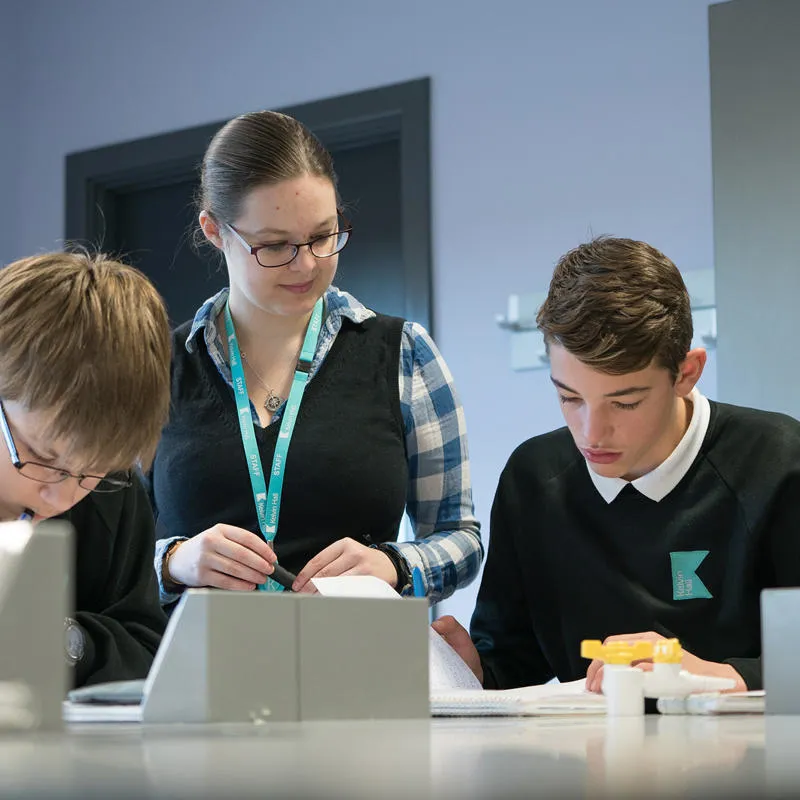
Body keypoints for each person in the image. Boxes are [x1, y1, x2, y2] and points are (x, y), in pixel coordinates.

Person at [434, 236, 800, 693]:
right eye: (569, 398)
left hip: (753, 755)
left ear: (686, 373)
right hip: (591, 755)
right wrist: (472, 672)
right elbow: (513, 658)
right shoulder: (534, 478)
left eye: (625, 403)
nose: (591, 433)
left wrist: (728, 677)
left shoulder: (777, 460)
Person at [149, 110, 482, 606]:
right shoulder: (157, 365)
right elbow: (102, 553)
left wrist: (395, 563)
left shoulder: (404, 354)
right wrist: (173, 562)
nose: (306, 264)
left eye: (324, 236)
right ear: (215, 231)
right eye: (274, 246)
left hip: (356, 666)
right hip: (196, 670)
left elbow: (461, 538)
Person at [0, 251, 170, 687]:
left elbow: (145, 650)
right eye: (42, 457)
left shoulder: (113, 485)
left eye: (88, 472)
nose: (60, 499)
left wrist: (54, 638)